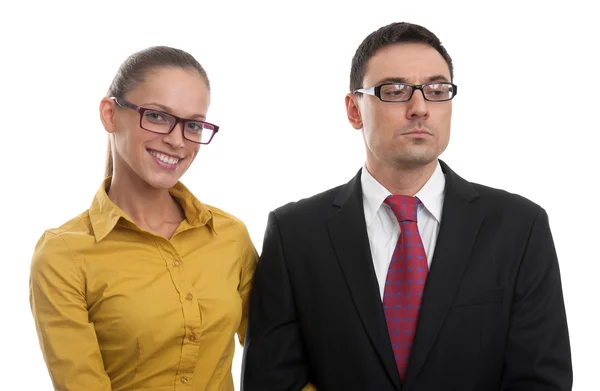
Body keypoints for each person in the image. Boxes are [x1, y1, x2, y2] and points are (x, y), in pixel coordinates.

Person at [241, 22, 572, 390]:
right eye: (395, 90)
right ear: (354, 110)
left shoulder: (519, 227)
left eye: (436, 90)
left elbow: (542, 380)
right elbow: (271, 381)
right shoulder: (295, 233)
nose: (420, 108)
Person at [29, 46, 258, 391]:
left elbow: (278, 357)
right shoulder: (63, 256)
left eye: (193, 124)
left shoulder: (229, 236)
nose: (177, 141)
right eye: (157, 116)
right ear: (109, 114)